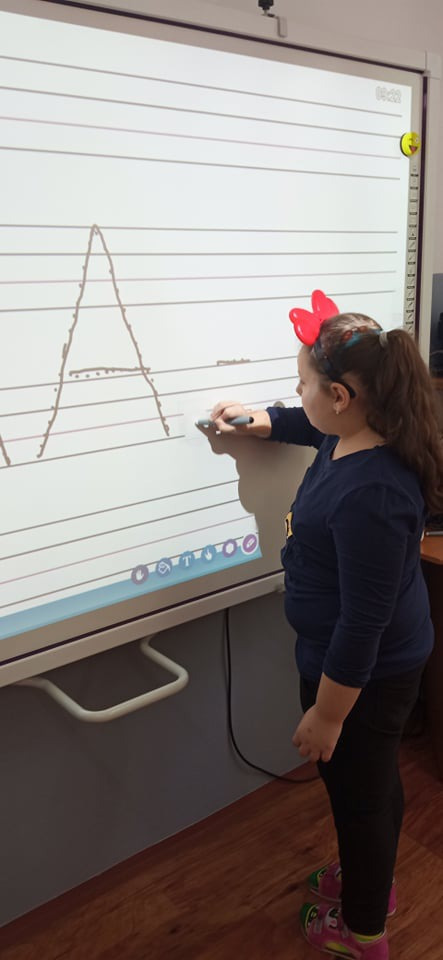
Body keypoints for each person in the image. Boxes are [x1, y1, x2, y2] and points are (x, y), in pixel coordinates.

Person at [209, 293, 443, 960]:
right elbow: (306, 426)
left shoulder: (373, 493)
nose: (296, 393)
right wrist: (260, 421)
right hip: (354, 665)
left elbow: (364, 624)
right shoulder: (355, 434)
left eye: (302, 384)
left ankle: (363, 931)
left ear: (340, 396)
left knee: (359, 798)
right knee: (370, 787)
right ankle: (372, 879)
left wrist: (327, 715)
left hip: (363, 676)